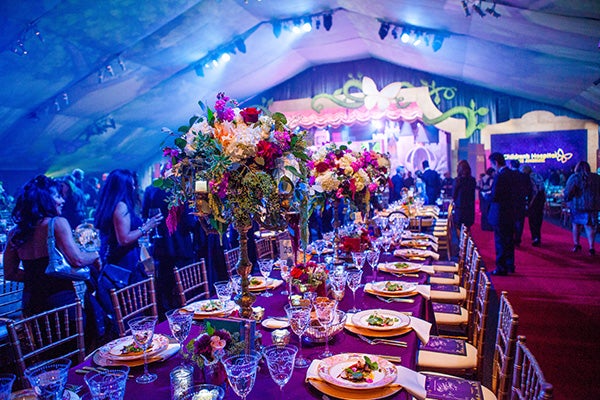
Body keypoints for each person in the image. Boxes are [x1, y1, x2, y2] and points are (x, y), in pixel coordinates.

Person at [3, 175, 101, 316]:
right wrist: (95, 256)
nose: (62, 200)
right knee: (75, 337)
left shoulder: (15, 232)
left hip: (31, 303)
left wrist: (36, 278)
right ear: (45, 200)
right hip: (60, 302)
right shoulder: (56, 224)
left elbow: (10, 273)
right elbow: (77, 260)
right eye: (58, 196)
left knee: (43, 338)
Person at [94, 169, 163, 324]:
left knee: (131, 312)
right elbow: (124, 239)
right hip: (124, 266)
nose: (133, 188)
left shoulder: (113, 205)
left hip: (120, 262)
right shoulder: (121, 207)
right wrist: (146, 227)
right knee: (132, 314)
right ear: (123, 187)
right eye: (131, 185)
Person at [142, 175, 196, 315]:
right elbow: (190, 223)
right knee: (185, 286)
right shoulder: (182, 189)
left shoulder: (151, 189)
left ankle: (166, 316)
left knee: (164, 284)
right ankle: (185, 316)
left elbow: (145, 216)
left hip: (161, 245)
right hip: (181, 245)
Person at [487, 152, 517, 275]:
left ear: (496, 163)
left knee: (500, 241)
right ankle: (510, 265)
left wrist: (487, 196)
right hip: (510, 212)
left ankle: (501, 268)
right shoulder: (513, 174)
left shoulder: (500, 176)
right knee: (509, 241)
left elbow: (495, 196)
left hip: (500, 213)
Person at [564, 161, 600, 256]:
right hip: (592, 205)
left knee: (576, 225)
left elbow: (568, 190)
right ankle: (591, 247)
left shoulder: (574, 177)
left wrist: (567, 199)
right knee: (590, 226)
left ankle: (577, 244)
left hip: (577, 204)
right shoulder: (596, 177)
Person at [521, 165, 546, 247]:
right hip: (541, 198)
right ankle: (538, 236)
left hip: (535, 199)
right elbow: (542, 188)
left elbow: (535, 190)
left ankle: (535, 237)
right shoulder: (538, 175)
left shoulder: (530, 177)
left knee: (533, 220)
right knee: (539, 219)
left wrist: (531, 202)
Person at [509, 160, 531, 247]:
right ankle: (517, 239)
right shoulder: (524, 176)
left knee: (511, 221)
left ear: (511, 165)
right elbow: (528, 189)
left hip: (510, 202)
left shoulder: (508, 175)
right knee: (520, 222)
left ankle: (511, 238)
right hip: (521, 201)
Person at [452, 160, 476, 231]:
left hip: (460, 208)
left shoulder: (457, 180)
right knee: (467, 228)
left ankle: (462, 241)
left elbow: (454, 195)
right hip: (470, 208)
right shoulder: (472, 180)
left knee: (459, 229)